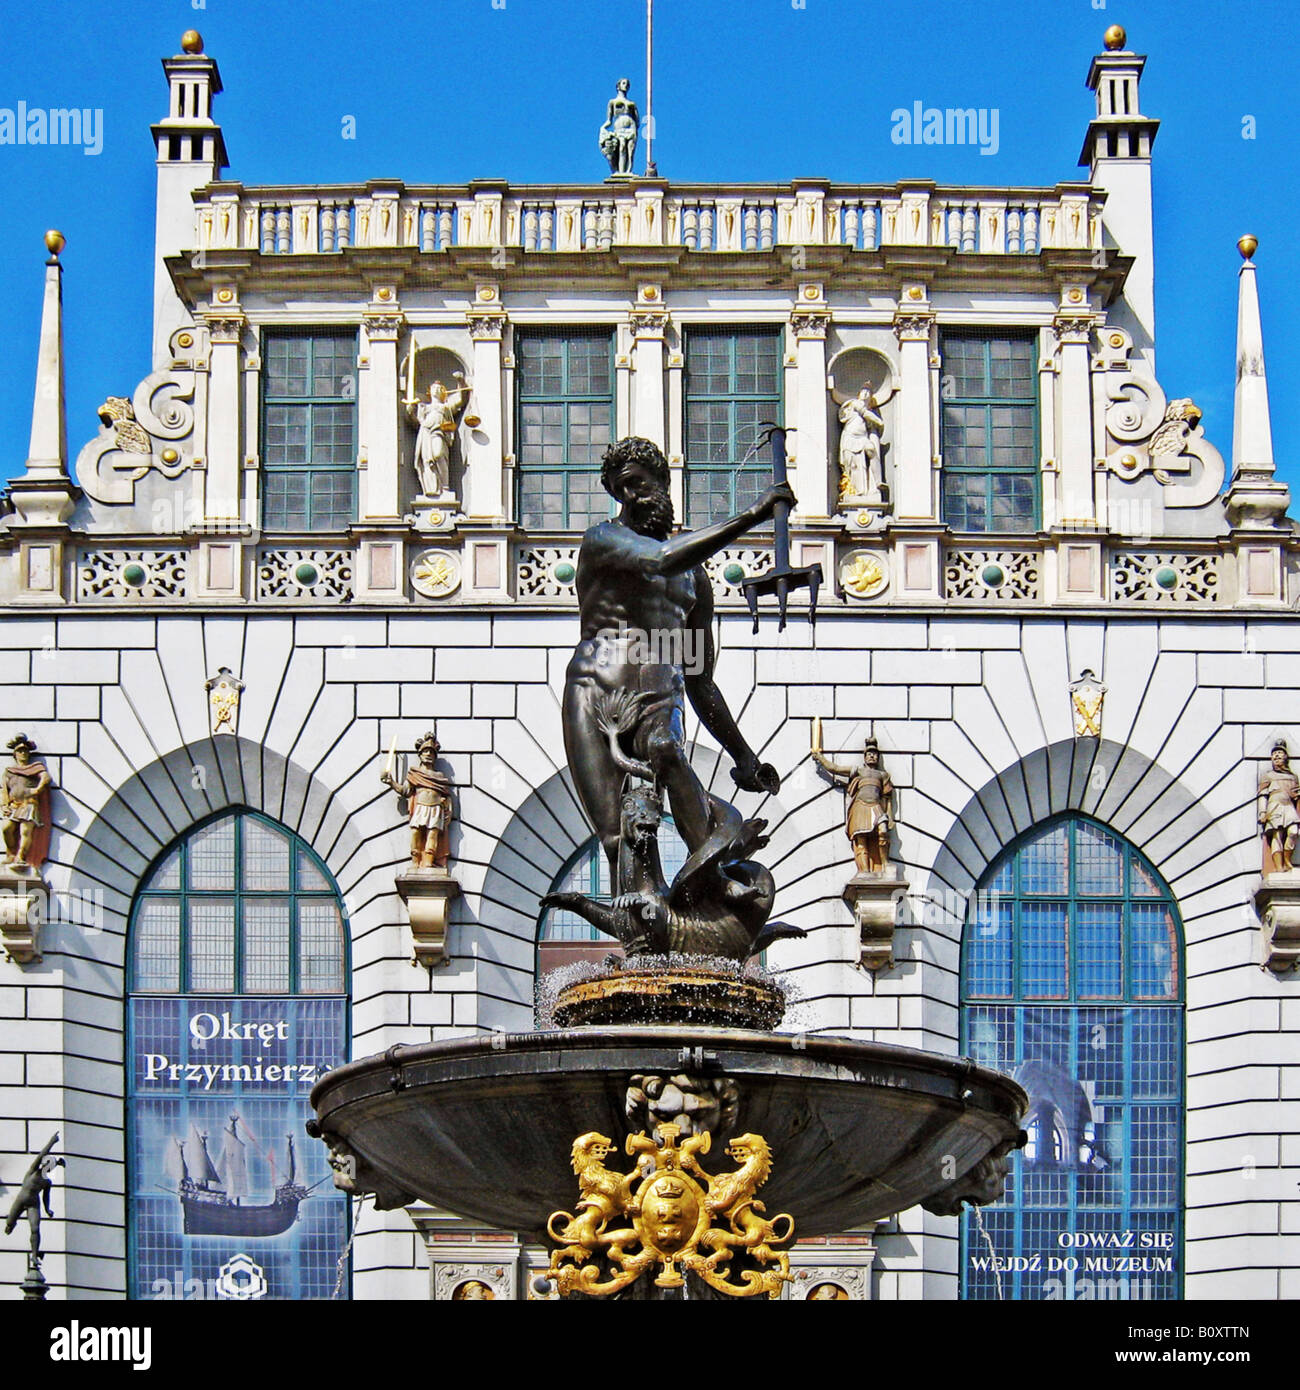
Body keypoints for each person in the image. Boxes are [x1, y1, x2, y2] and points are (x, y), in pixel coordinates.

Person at [562, 436, 793, 877]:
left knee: (667, 748)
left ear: (662, 481)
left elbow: (700, 678)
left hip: (657, 688)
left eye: (636, 482)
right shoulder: (603, 539)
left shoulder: (694, 577)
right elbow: (661, 559)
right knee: (619, 843)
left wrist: (742, 754)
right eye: (619, 489)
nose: (630, 495)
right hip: (594, 691)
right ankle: (649, 922)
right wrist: (752, 516)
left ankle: (709, 881)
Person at [812, 737, 894, 875]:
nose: (872, 756)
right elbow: (835, 768)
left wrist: (889, 816)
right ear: (865, 757)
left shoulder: (883, 775)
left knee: (883, 831)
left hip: (876, 807)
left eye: (874, 754)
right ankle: (864, 871)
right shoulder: (859, 771)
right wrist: (820, 758)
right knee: (861, 839)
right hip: (860, 806)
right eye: (869, 754)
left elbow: (886, 798)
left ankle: (885, 863)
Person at [382, 731, 454, 870]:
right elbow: (406, 791)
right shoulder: (414, 773)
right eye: (425, 752)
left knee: (432, 834)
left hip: (435, 808)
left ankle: (428, 860)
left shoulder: (439, 776)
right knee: (416, 832)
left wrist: (449, 810)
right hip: (421, 806)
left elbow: (447, 795)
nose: (428, 755)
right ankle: (416, 860)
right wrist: (391, 782)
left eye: (431, 752)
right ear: (420, 755)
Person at [408, 375, 470, 498]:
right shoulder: (424, 407)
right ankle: (431, 489)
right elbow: (417, 422)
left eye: (439, 388)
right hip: (425, 432)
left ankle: (445, 486)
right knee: (427, 461)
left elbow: (462, 398)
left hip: (439, 432)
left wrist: (460, 381)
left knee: (438, 455)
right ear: (429, 392)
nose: (436, 389)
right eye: (433, 388)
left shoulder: (446, 406)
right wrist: (411, 412)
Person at [4, 1133, 62, 1262]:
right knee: (9, 1224)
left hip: (33, 1204)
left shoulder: (47, 1182)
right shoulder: (33, 1171)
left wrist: (48, 1210)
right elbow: (42, 1154)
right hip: (21, 1200)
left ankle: (35, 1255)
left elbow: (46, 1197)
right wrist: (52, 1142)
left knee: (35, 1228)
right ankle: (11, 1225)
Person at [2, 733, 52, 870]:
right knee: (6, 828)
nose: (23, 753)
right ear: (15, 754)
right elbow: (4, 789)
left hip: (29, 804)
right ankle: (11, 852)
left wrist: (38, 789)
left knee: (25, 831)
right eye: (20, 751)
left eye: (25, 751)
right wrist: (4, 805)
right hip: (14, 805)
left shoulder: (35, 767)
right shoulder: (9, 771)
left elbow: (45, 777)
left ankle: (21, 856)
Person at [1259, 740, 1300, 874]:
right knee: (1277, 834)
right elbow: (1263, 795)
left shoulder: (1293, 777)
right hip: (1274, 806)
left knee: (1294, 831)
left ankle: (1287, 860)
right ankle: (1279, 866)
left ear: (1285, 757)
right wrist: (1262, 812)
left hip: (1288, 806)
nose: (1276, 756)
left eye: (1279, 753)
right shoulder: (1268, 776)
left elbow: (1295, 795)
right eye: (1274, 754)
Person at [837, 389, 885, 503]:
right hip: (850, 438)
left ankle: (877, 481)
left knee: (871, 449)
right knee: (853, 466)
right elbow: (865, 413)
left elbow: (871, 427)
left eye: (868, 392)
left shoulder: (870, 411)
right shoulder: (855, 403)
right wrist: (879, 421)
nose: (865, 394)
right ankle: (856, 491)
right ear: (858, 394)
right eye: (863, 391)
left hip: (862, 438)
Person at [598, 78, 639, 176]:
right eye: (624, 83)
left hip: (631, 127)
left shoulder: (632, 104)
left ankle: (628, 171)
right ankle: (621, 171)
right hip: (619, 126)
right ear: (618, 86)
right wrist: (603, 128)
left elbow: (637, 119)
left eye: (627, 84)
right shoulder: (612, 102)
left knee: (631, 150)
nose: (626, 85)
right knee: (622, 147)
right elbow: (609, 120)